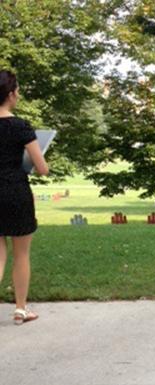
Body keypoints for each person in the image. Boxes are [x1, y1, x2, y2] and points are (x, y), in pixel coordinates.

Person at [0, 70, 49, 324]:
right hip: (16, 192)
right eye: (17, 90)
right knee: (21, 254)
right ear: (10, 94)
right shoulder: (21, 126)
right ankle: (20, 309)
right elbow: (42, 168)